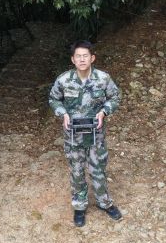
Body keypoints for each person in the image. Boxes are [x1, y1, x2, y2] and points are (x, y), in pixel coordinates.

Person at [48, 40, 122, 227]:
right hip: (73, 136)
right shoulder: (63, 80)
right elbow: (54, 99)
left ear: (92, 58)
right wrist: (62, 113)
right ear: (73, 59)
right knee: (77, 171)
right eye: (78, 56)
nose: (82, 59)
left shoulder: (103, 78)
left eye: (85, 56)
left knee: (98, 169)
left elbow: (115, 97)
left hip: (96, 135)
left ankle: (105, 203)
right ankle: (80, 206)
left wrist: (104, 111)